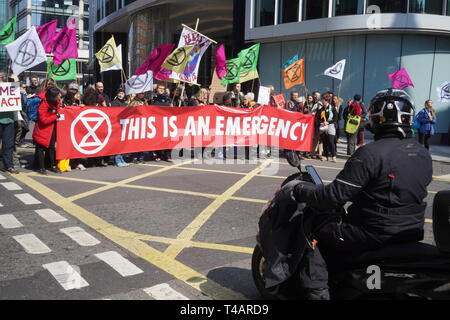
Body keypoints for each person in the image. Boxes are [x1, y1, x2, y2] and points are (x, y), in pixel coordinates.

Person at [276, 88, 432, 300]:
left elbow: (333, 197)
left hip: (371, 231)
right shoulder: (422, 152)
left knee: (312, 225)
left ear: (378, 116)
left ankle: (318, 291)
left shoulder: (370, 153)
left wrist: (298, 189)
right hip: (411, 229)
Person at [32, 87, 62, 175]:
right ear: (53, 96)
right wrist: (55, 116)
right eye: (58, 95)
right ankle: (41, 167)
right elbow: (43, 120)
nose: (60, 96)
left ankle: (51, 165)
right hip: (42, 129)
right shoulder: (43, 104)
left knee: (51, 147)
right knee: (40, 148)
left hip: (51, 128)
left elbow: (57, 111)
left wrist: (57, 114)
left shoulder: (56, 101)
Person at [318, 93, 337, 162]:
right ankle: (325, 156)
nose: (321, 101)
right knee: (324, 141)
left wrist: (328, 122)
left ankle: (333, 156)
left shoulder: (332, 108)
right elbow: (318, 118)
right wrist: (321, 122)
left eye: (322, 100)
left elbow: (335, 118)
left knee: (331, 141)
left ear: (326, 101)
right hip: (323, 126)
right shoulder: (321, 109)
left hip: (330, 126)